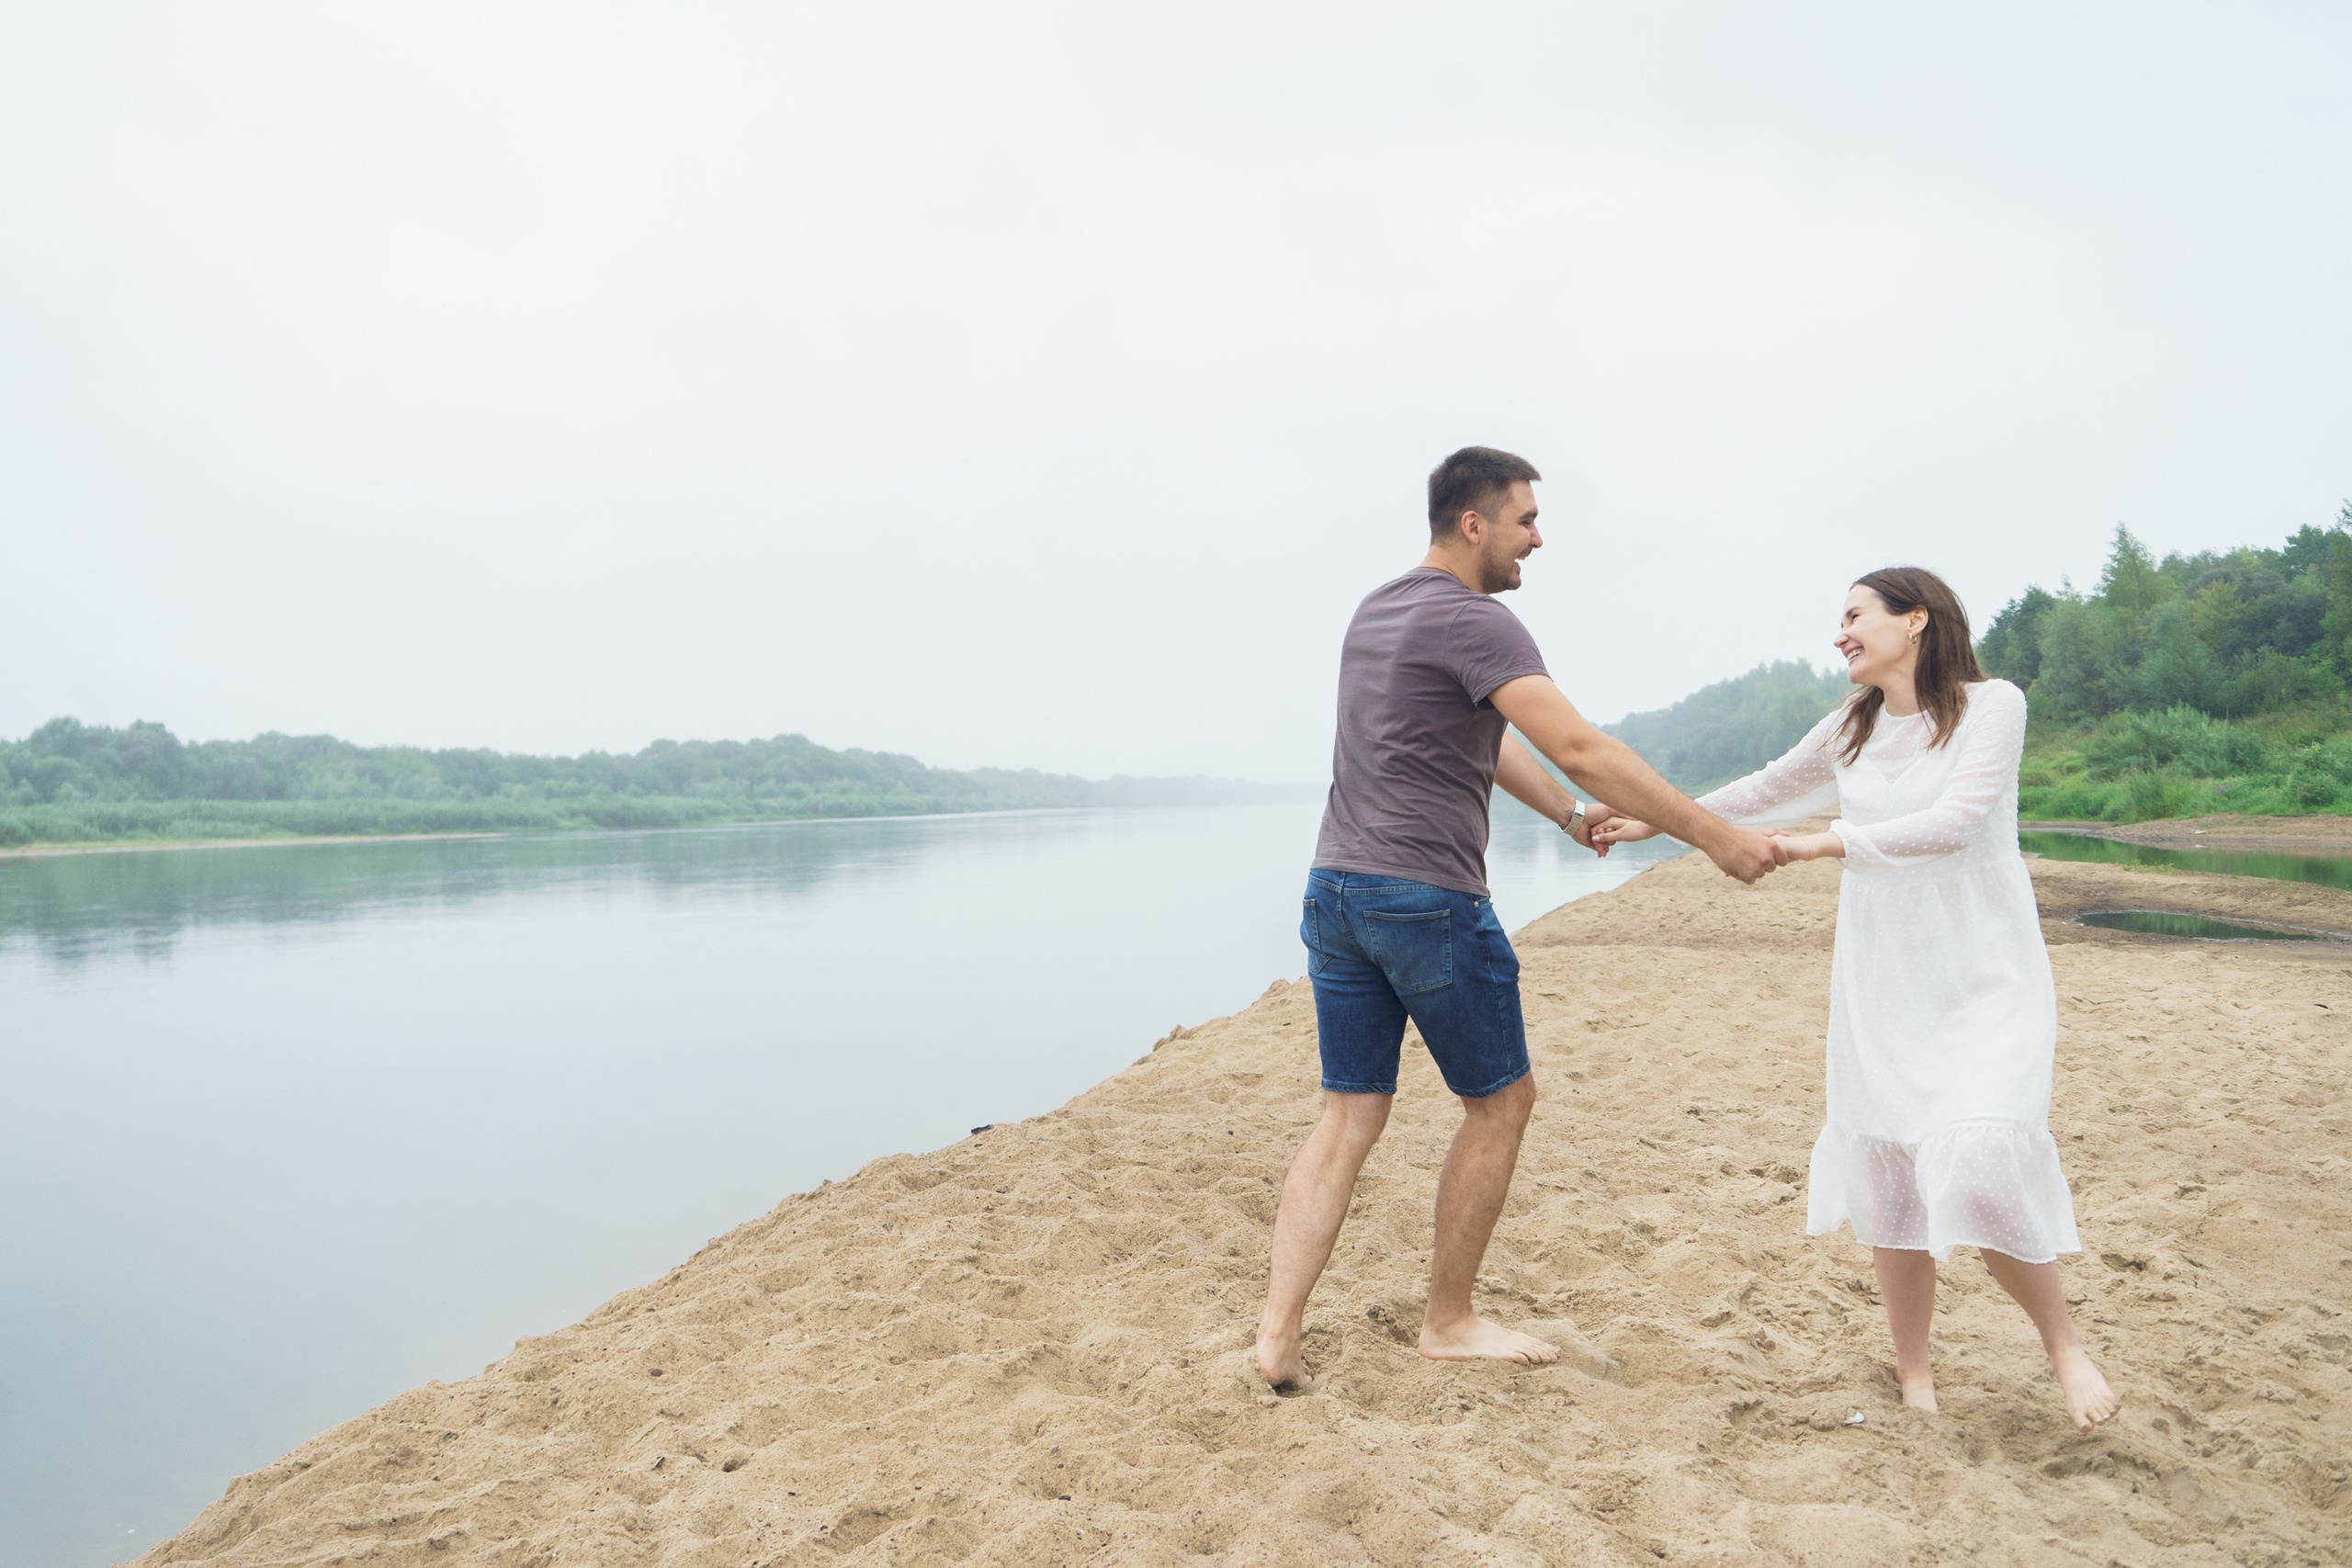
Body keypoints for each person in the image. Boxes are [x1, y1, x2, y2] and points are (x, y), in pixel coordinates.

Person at [1254, 446, 1780, 1393]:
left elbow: (1482, 743)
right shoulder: (1478, 620)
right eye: (1525, 519)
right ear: (1474, 524)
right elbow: (1576, 743)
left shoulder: (1378, 610)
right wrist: (1710, 836)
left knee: (1347, 1117)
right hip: (1426, 900)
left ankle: (1276, 1334)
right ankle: (1447, 1321)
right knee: (1499, 1104)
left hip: (1335, 891)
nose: (1537, 537)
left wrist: (1570, 821)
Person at [1595, 567, 2121, 1432]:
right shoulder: (1852, 723)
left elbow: (1956, 821)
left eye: (1853, 615)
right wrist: (1659, 819)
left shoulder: (1993, 707)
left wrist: (1821, 844)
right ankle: (1915, 1372)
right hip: (1885, 975)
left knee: (1982, 1154)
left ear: (1915, 620)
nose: (1839, 633)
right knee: (1891, 1175)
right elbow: (1762, 788)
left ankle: (2062, 1343)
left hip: (1983, 966)